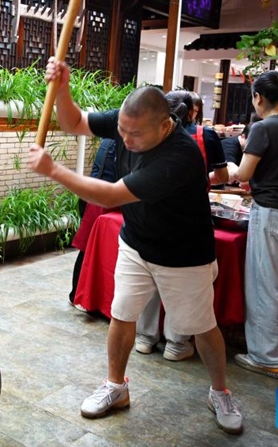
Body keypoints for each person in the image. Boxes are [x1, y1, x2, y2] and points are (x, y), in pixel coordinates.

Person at [27, 58, 243, 435]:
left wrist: (54, 171)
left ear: (164, 125)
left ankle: (220, 390)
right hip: (137, 243)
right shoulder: (131, 119)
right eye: (122, 130)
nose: (125, 140)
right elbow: (73, 122)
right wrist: (62, 89)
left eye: (135, 135)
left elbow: (111, 196)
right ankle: (116, 386)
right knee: (121, 314)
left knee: (201, 327)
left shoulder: (181, 155)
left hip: (183, 256)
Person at [134, 90, 228, 361]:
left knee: (150, 274)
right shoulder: (205, 136)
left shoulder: (149, 135)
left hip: (151, 216)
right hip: (188, 219)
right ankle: (176, 344)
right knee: (182, 285)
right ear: (193, 111)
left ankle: (144, 337)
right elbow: (221, 175)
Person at [229, 71, 278, 380]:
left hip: (273, 211)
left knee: (265, 283)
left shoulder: (264, 128)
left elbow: (245, 174)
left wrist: (235, 166)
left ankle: (266, 357)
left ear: (258, 98)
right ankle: (277, 343)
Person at [69, 138, 118, 308]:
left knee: (88, 250)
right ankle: (79, 295)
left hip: (96, 197)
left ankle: (79, 295)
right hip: (102, 202)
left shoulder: (110, 139)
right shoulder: (118, 141)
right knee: (90, 251)